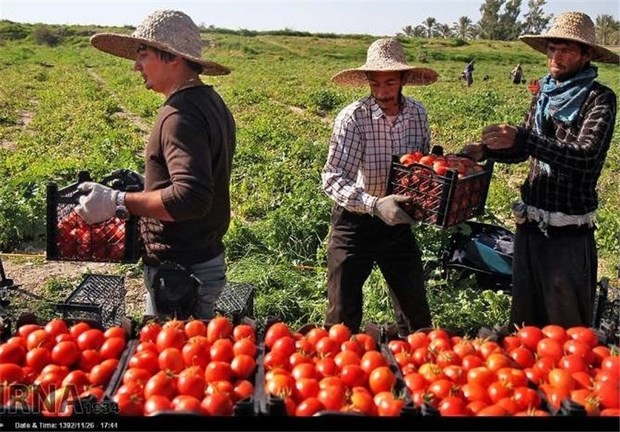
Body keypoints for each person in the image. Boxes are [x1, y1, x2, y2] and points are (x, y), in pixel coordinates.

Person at [75, 10, 236, 320]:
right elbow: (200, 177)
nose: (136, 65)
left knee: (176, 359)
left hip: (181, 274)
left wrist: (117, 201)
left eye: (143, 54)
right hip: (202, 257)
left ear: (172, 57)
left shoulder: (181, 115)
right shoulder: (210, 102)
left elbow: (190, 197)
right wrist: (150, 185)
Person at [462, 11, 618, 328]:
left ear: (587, 54)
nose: (556, 57)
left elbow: (585, 156)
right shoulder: (544, 92)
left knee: (566, 324)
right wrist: (486, 151)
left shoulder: (599, 98)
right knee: (526, 317)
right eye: (552, 49)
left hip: (568, 230)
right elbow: (524, 150)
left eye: (566, 50)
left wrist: (525, 138)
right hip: (530, 224)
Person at [321, 38, 438, 336]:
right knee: (341, 317)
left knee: (416, 314)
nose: (383, 92)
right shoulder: (353, 118)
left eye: (390, 83)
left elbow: (419, 165)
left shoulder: (418, 114)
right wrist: (374, 204)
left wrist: (434, 175)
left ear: (402, 80)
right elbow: (333, 177)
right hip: (355, 222)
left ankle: (415, 361)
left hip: (398, 221)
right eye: (375, 84)